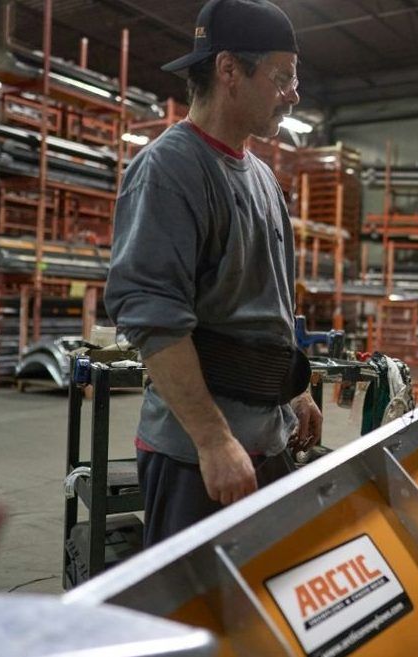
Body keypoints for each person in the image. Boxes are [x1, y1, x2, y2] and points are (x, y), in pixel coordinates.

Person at [104, 0, 321, 547]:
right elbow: (153, 318)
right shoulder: (170, 170)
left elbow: (269, 302)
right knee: (192, 620)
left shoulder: (265, 180)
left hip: (266, 440)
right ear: (229, 70)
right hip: (196, 457)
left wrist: (292, 390)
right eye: (283, 77)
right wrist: (212, 441)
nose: (293, 94)